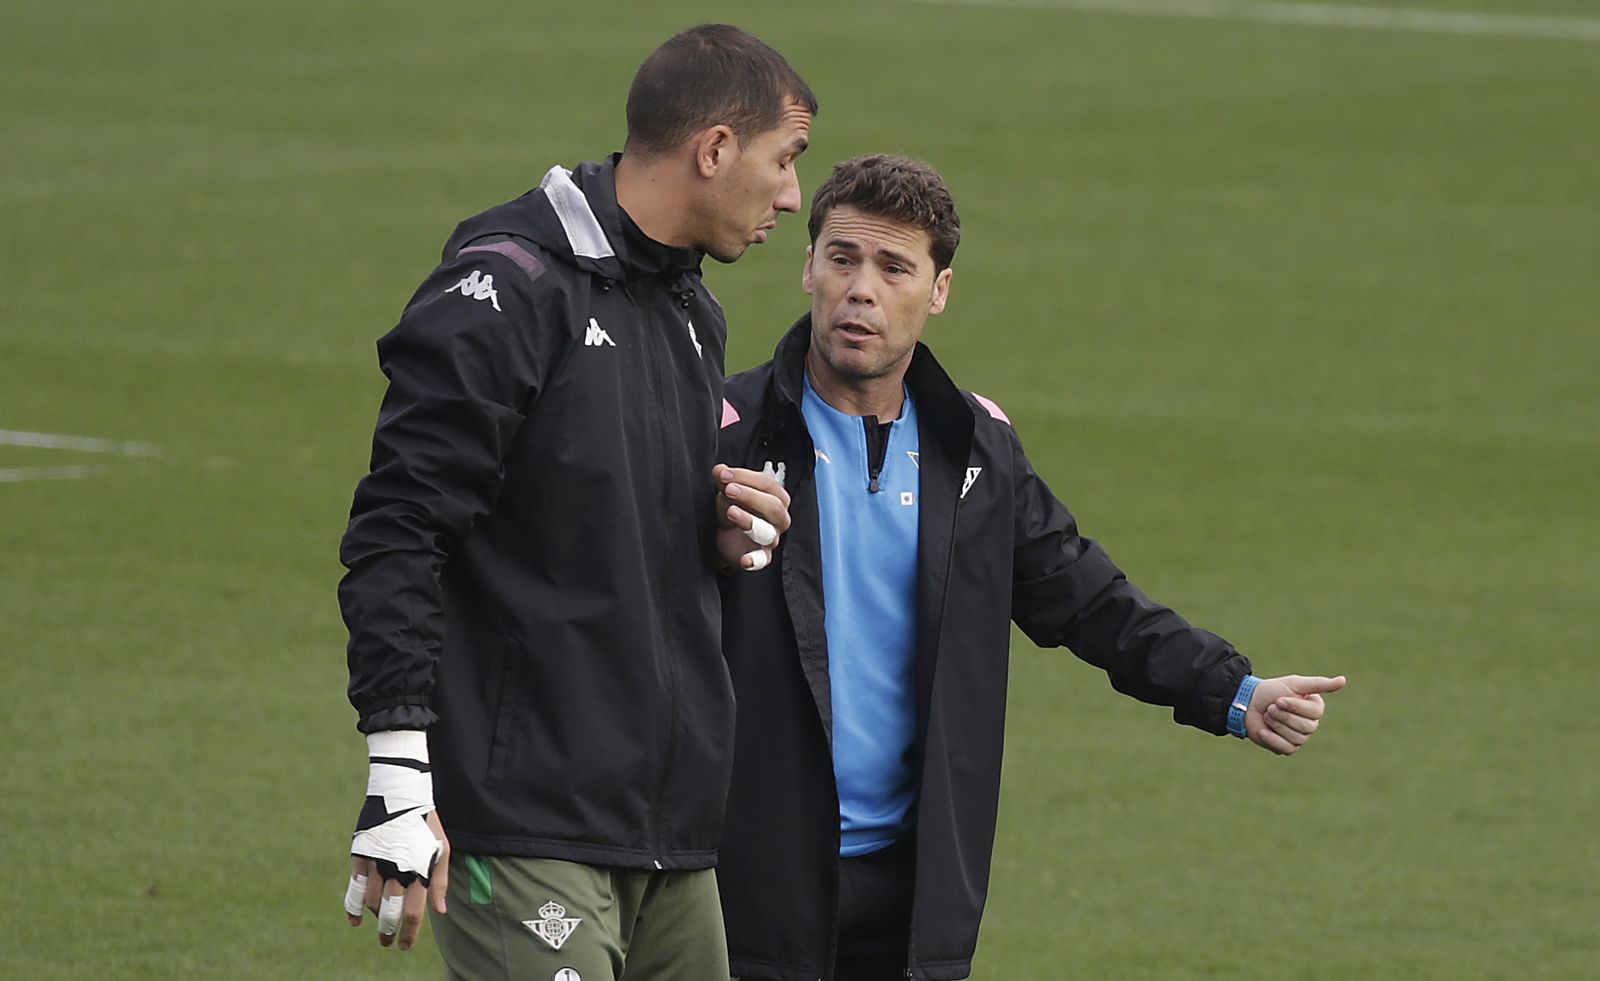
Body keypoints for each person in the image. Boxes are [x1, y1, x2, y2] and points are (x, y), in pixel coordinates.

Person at [714, 154, 1347, 981]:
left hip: (917, 889)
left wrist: (1234, 692)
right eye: (843, 258)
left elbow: (1086, 598)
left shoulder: (977, 448)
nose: (860, 290)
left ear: (938, 290)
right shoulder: (726, 434)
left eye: (894, 268)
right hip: (748, 883)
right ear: (808, 268)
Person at [336, 24, 813, 980]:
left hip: (668, 833)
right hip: (526, 820)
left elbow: (594, 515)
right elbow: (400, 527)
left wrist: (717, 533)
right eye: (785, 158)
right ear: (715, 148)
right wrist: (397, 768)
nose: (793, 195)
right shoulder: (507, 289)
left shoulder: (690, 309)